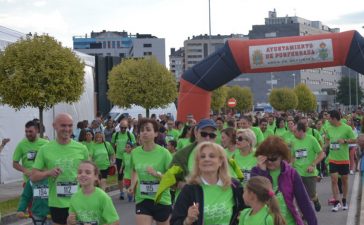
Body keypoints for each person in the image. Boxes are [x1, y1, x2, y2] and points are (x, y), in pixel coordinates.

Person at [31, 113, 89, 225]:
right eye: (63, 125)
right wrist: (48, 173)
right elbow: (33, 177)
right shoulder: (45, 149)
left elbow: (91, 174)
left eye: (70, 125)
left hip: (79, 201)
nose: (67, 129)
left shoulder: (82, 148)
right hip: (57, 203)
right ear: (54, 126)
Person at [170, 142, 246, 225]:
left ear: (221, 161)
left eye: (212, 156)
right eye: (202, 157)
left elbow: (248, 212)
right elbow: (174, 222)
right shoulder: (190, 190)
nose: (206, 159)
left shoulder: (235, 186)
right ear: (198, 163)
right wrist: (188, 220)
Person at [251, 136, 317, 225]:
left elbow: (304, 202)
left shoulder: (291, 173)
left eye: (273, 159)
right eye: (267, 158)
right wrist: (262, 172)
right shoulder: (256, 172)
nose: (269, 162)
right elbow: (255, 198)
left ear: (282, 156)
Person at [128, 118, 173, 225]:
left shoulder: (164, 153)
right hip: (143, 198)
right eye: (142, 130)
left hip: (161, 199)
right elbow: (134, 171)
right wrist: (132, 185)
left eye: (148, 129)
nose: (144, 132)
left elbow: (172, 179)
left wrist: (156, 174)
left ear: (156, 133)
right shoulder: (135, 153)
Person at [67, 161, 119, 225]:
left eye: (88, 172)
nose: (83, 174)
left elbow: (115, 222)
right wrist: (69, 221)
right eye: (79, 172)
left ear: (96, 176)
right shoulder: (74, 197)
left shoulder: (103, 197)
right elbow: (71, 222)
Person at [324, 110, 356, 212]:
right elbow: (328, 139)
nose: (328, 120)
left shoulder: (347, 128)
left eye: (329, 118)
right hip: (333, 158)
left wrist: (345, 141)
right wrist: (325, 146)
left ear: (334, 119)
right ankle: (337, 202)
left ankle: (345, 200)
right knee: (334, 180)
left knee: (344, 180)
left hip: (343, 159)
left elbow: (354, 139)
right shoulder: (328, 128)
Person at [290, 122, 325, 212]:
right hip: (297, 172)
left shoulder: (312, 139)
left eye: (295, 131)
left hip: (309, 173)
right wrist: (290, 166)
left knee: (311, 195)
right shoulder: (293, 140)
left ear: (301, 131)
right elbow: (292, 156)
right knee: (300, 196)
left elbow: (321, 154)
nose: (293, 133)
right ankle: (303, 215)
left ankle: (315, 199)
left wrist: (313, 165)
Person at [111, 119, 136, 200]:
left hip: (129, 158)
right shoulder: (116, 135)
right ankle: (121, 192)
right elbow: (112, 145)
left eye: (125, 128)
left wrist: (129, 150)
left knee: (131, 174)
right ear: (119, 127)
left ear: (127, 127)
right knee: (120, 175)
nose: (123, 129)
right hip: (119, 158)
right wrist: (113, 155)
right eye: (122, 127)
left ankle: (133, 190)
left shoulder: (130, 134)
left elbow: (134, 146)